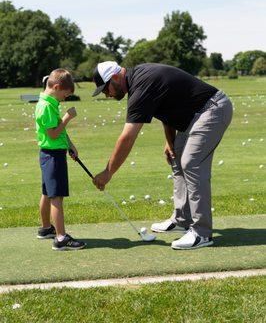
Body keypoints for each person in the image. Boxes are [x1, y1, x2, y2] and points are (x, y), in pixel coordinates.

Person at [92, 61, 233, 250]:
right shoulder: (139, 80)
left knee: (191, 163)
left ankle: (202, 233)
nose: (107, 94)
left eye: (105, 89)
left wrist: (108, 172)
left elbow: (127, 138)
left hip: (212, 109)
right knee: (177, 158)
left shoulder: (140, 86)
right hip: (196, 115)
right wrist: (170, 140)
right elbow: (166, 108)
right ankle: (182, 220)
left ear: (115, 77)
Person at [35, 68, 85, 251]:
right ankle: (61, 238)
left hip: (51, 153)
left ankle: (46, 228)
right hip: (53, 155)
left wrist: (69, 145)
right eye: (64, 95)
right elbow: (54, 133)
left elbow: (58, 132)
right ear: (56, 87)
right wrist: (67, 118)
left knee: (47, 193)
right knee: (57, 196)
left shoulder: (49, 103)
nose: (64, 99)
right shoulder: (47, 107)